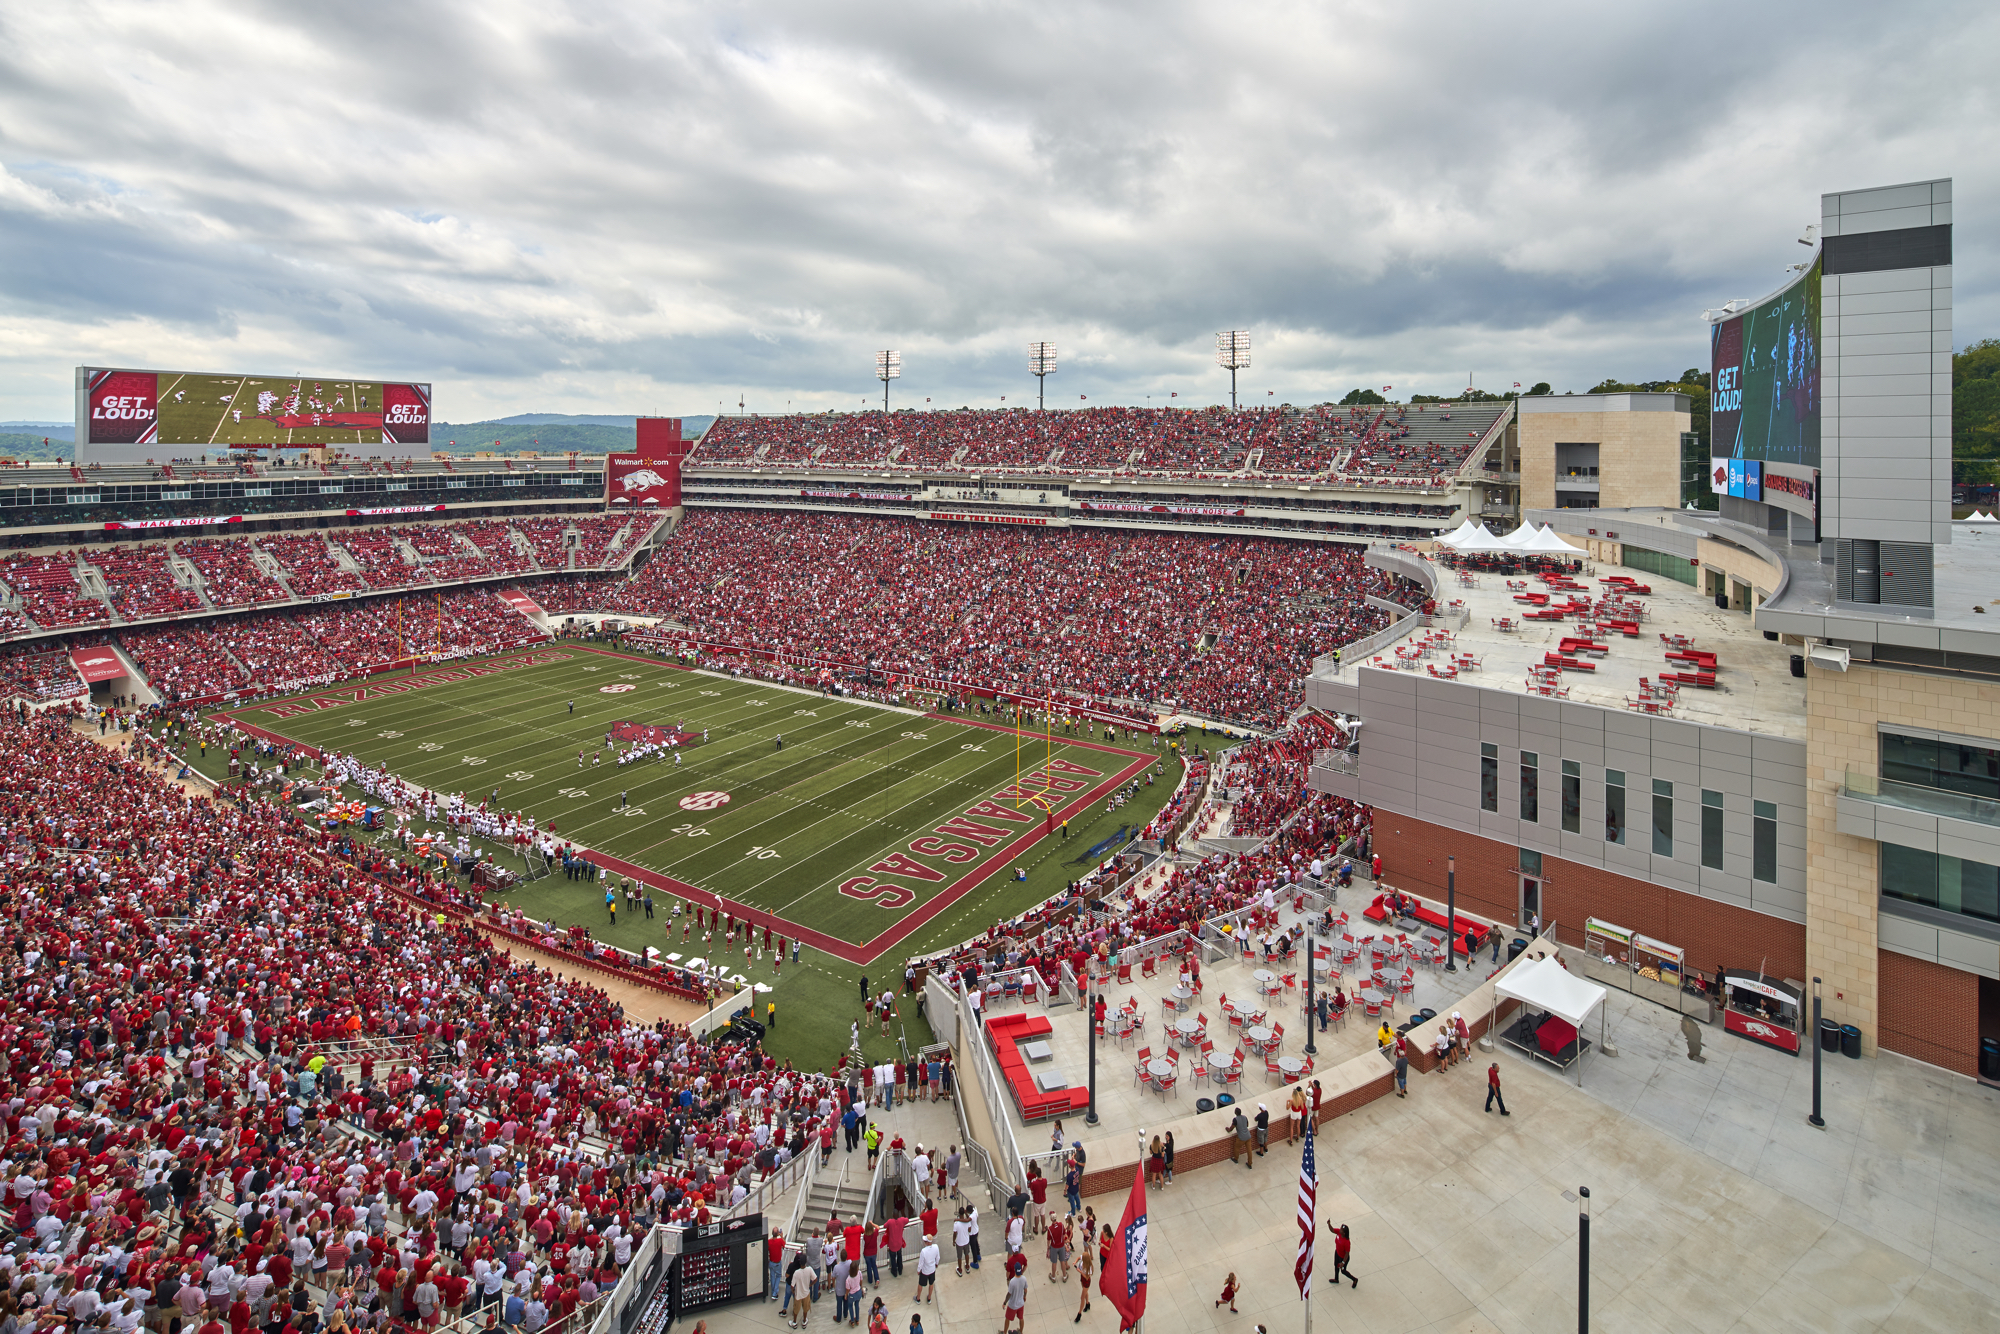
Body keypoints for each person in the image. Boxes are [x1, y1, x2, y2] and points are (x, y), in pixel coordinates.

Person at [1326, 1223, 1357, 1288]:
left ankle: (1354, 1279)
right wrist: (1329, 1224)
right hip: (1337, 1253)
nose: (1340, 1230)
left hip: (1343, 1258)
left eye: (1341, 1230)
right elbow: (1332, 1230)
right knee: (1336, 1266)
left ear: (1344, 1233)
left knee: (1343, 1271)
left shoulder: (1347, 1242)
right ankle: (1336, 1279)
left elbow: (1347, 1253)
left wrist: (1343, 1262)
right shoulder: (1339, 1233)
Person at [1000, 1268, 1028, 1333]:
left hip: (1012, 1305)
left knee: (1007, 1318)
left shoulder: (1012, 1281)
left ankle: (1004, 1332)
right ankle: (1021, 1332)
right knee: (1021, 1318)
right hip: (1021, 1304)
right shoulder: (1024, 1279)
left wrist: (1004, 1302)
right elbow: (1025, 1290)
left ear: (1015, 1270)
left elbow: (1009, 1294)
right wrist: (1024, 1296)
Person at [915, 1235, 939, 1303]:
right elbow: (938, 1257)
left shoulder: (923, 1251)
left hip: (925, 1271)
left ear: (927, 1242)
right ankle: (929, 1298)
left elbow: (921, 1263)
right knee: (931, 1283)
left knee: (920, 1284)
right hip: (932, 1270)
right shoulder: (936, 1247)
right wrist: (936, 1263)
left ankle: (918, 1298)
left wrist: (918, 1270)